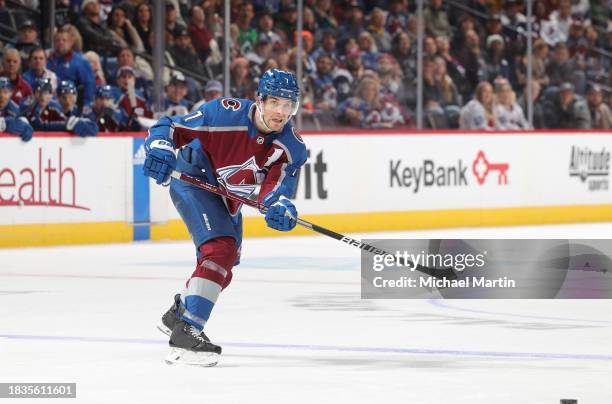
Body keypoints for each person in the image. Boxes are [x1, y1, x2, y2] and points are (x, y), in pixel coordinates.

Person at [143, 69, 306, 366]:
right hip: (194, 179)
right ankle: (188, 331)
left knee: (225, 265)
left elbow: (277, 187)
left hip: (228, 199)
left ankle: (178, 314)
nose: (282, 112)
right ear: (260, 100)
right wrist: (159, 146)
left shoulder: (291, 146)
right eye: (275, 103)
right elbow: (169, 127)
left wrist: (278, 205)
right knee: (220, 250)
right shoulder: (223, 115)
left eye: (288, 105)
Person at [0, 76, 32, 141]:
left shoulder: (13, 106)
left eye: (5, 92)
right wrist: (4, 123)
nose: (2, 95)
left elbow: (21, 120)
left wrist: (27, 125)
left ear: (11, 93)